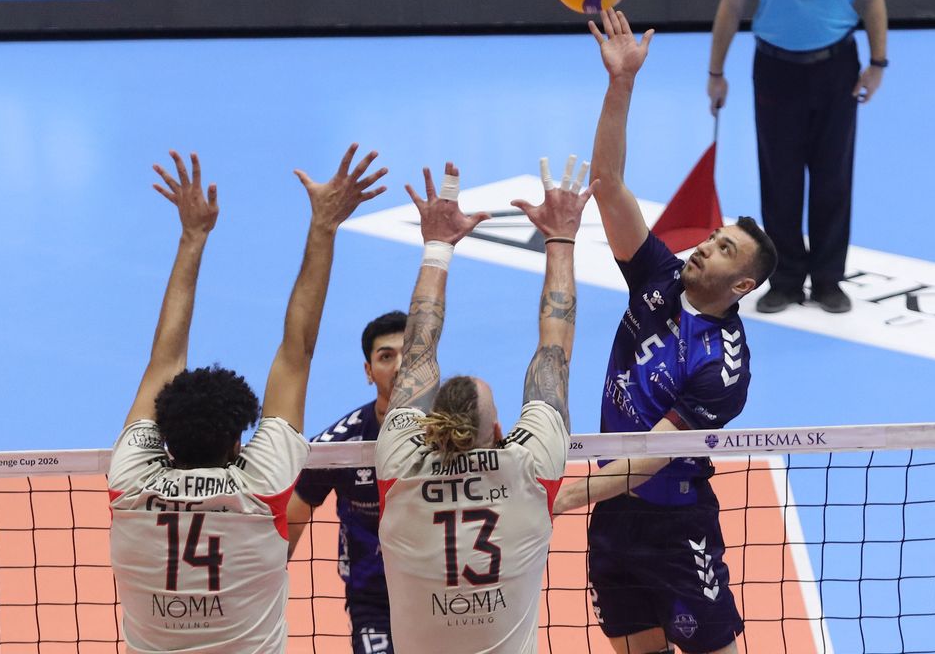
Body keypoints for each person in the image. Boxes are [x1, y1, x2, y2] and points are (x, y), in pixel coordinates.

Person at [551, 10, 777, 654]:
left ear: (743, 285)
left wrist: (560, 496)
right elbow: (607, 186)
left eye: (725, 249)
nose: (705, 246)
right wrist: (621, 82)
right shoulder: (659, 276)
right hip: (613, 515)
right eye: (714, 237)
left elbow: (648, 456)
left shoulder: (724, 368)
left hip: (675, 527)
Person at [107, 145, 386, 654]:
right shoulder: (261, 486)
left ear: (164, 437)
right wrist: (324, 226)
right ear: (239, 441)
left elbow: (163, 362)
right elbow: (296, 353)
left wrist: (192, 237)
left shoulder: (131, 481)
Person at [375, 160, 590, 653]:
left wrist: (438, 245)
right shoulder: (530, 470)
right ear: (498, 431)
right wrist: (560, 238)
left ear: (429, 427)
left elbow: (417, 353)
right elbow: (554, 352)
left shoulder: (400, 467)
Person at [707, 0, 888, 314]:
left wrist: (877, 62)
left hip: (836, 68)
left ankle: (827, 280)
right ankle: (785, 280)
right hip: (775, 71)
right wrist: (716, 73)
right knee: (779, 179)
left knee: (833, 175)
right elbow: (732, 4)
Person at [285, 310, 408, 654]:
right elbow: (291, 522)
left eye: (410, 356)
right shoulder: (340, 444)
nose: (400, 366)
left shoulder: (453, 436)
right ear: (369, 371)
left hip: (441, 596)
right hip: (374, 601)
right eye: (386, 357)